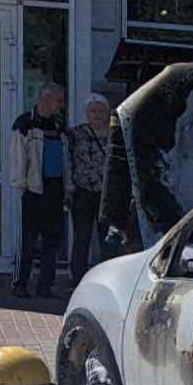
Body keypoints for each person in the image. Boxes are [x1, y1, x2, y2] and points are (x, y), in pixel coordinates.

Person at [8, 82, 69, 296]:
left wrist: (66, 188)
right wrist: (22, 185)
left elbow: (65, 158)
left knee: (52, 241)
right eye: (58, 100)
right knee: (28, 240)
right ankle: (20, 283)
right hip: (34, 190)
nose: (61, 105)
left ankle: (45, 285)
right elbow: (18, 157)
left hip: (55, 190)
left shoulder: (59, 126)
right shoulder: (25, 123)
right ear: (46, 99)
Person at [66, 94, 113, 279]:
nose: (97, 115)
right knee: (81, 238)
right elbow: (68, 162)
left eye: (101, 111)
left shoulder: (115, 134)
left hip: (107, 193)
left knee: (108, 240)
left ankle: (107, 279)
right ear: (86, 113)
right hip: (82, 191)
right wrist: (68, 188)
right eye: (93, 111)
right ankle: (77, 279)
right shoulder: (75, 134)